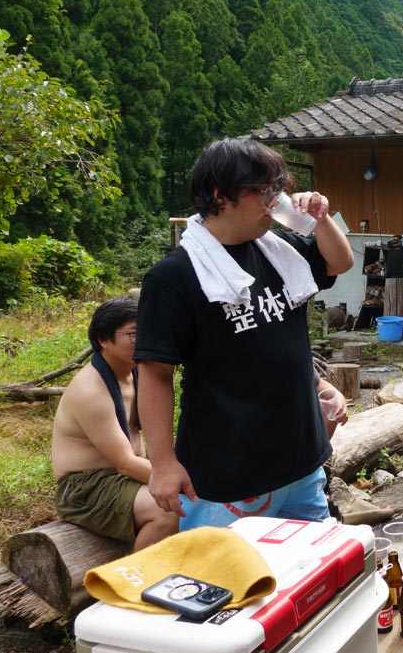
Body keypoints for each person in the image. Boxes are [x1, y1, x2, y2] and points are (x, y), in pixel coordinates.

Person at [136, 137, 354, 530]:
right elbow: (153, 373)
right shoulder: (175, 277)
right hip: (228, 479)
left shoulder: (278, 249)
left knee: (310, 581)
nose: (275, 201)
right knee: (231, 588)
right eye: (264, 191)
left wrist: (321, 219)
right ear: (221, 195)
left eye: (278, 189)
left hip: (300, 464)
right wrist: (163, 463)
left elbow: (340, 261)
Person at [50, 297, 178, 550]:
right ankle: (134, 583)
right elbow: (124, 463)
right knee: (170, 512)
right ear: (103, 340)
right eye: (133, 334)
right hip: (84, 488)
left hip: (124, 476)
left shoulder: (139, 373)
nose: (144, 339)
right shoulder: (90, 389)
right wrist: (183, 484)